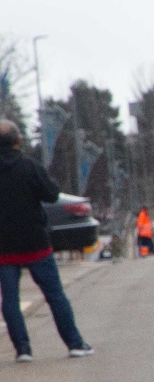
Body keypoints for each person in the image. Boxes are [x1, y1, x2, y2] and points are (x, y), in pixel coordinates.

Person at [0, 120, 92, 362]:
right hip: (35, 242)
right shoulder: (29, 166)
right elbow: (51, 194)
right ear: (17, 141)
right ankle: (74, 343)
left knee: (9, 300)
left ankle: (22, 349)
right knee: (55, 295)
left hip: (3, 247)